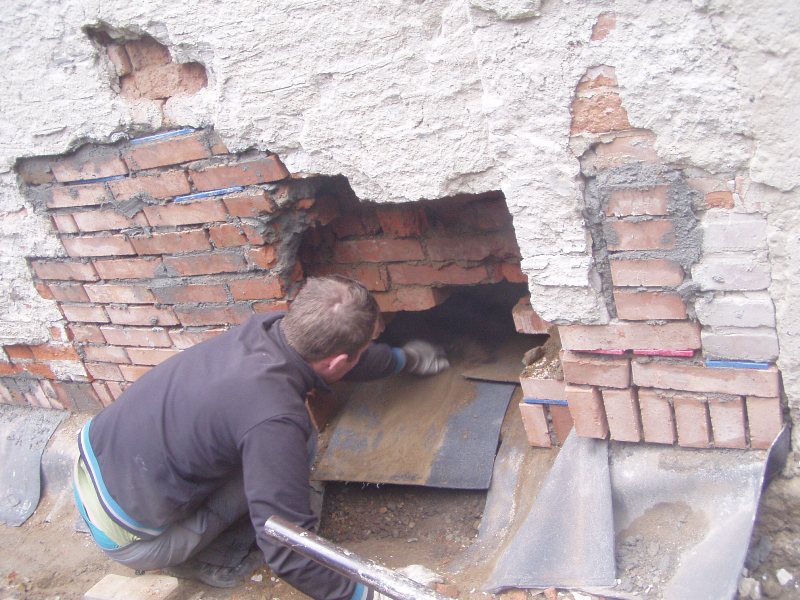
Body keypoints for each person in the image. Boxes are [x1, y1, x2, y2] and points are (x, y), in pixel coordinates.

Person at [73, 275, 449, 599]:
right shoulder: (274, 418)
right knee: (294, 452)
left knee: (269, 450)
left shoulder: (266, 331)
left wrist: (405, 359)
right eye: (361, 352)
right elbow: (287, 549)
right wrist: (366, 594)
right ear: (337, 361)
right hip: (134, 538)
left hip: (95, 461)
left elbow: (338, 360)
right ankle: (219, 556)